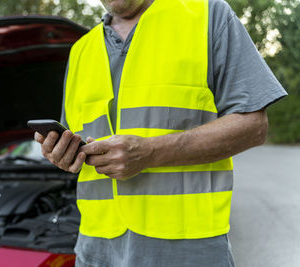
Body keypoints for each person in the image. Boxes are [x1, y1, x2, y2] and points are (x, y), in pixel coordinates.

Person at [34, 0, 287, 266]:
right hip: (95, 247)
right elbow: (74, 141)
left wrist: (151, 152)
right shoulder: (81, 51)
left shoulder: (208, 15)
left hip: (188, 247)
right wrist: (61, 154)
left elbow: (253, 126)